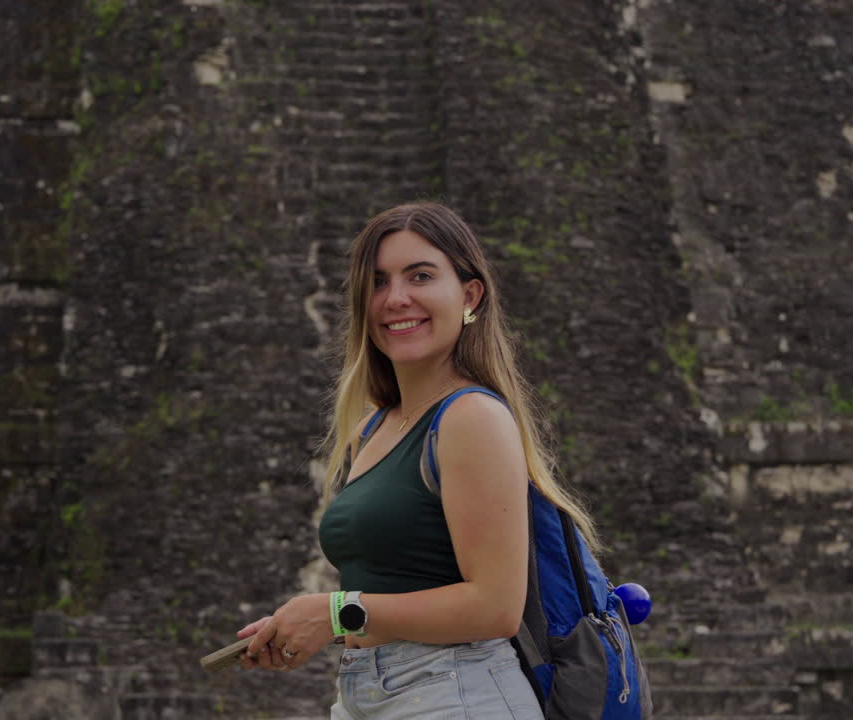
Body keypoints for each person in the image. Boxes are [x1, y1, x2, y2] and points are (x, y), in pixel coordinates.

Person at [237, 202, 602, 719]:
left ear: (469, 295)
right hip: (367, 694)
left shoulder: (471, 417)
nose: (396, 299)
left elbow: (494, 607)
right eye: (379, 281)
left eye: (421, 276)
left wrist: (336, 614)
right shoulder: (375, 426)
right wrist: (310, 627)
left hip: (454, 694)